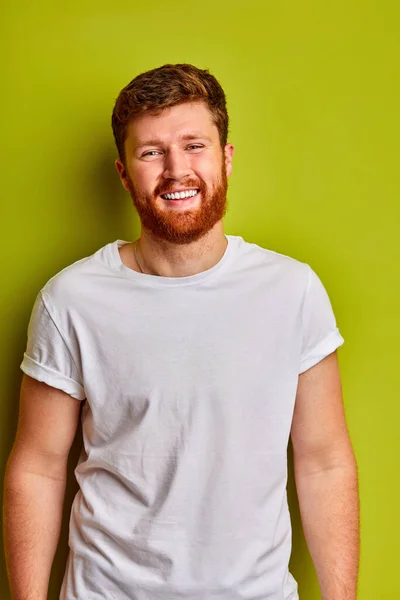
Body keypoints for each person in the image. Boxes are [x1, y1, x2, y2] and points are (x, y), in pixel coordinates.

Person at [3, 63, 359, 600]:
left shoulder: (292, 291)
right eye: (151, 152)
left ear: (226, 158)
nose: (176, 170)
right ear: (125, 174)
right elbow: (38, 467)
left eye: (195, 145)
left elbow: (325, 460)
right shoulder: (71, 300)